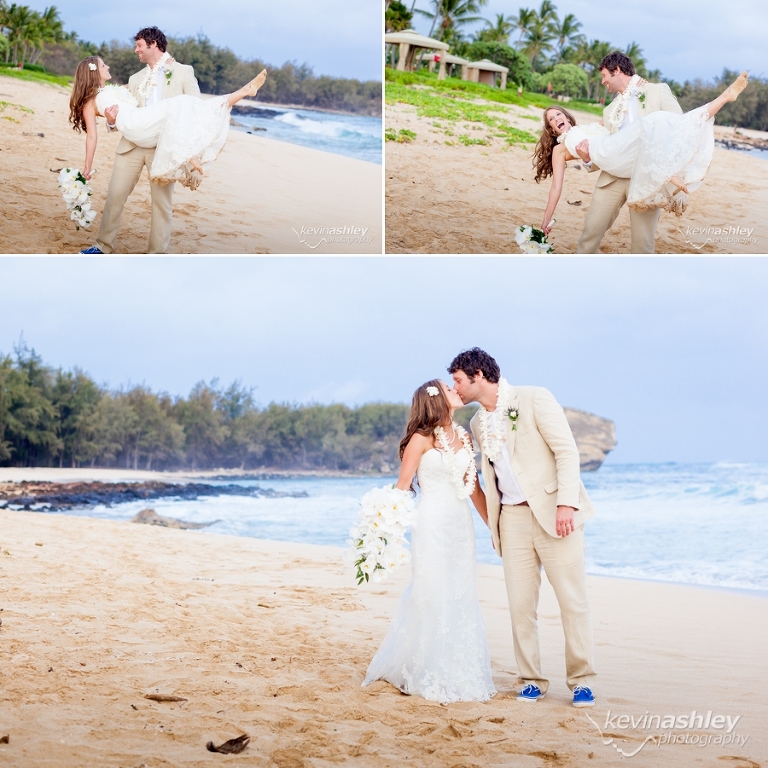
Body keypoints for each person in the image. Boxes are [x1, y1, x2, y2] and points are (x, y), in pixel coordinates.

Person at [449, 348, 597, 708]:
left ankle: (581, 682)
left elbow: (567, 452)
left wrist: (566, 504)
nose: (455, 388)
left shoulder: (533, 398)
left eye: (457, 380)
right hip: (512, 520)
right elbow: (489, 476)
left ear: (478, 374)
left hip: (554, 512)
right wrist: (494, 524)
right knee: (519, 605)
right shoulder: (476, 424)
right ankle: (531, 679)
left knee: (572, 601)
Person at [73, 26, 266, 255]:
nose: (136, 50)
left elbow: (195, 108)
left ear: (153, 44)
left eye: (139, 45)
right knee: (114, 197)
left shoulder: (183, 71)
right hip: (132, 145)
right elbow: (122, 111)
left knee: (161, 205)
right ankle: (103, 246)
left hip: (164, 146)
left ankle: (157, 255)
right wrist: (112, 122)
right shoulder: (135, 79)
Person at [362, 380, 496, 704]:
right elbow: (402, 487)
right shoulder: (420, 440)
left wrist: (494, 526)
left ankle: (458, 671)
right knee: (431, 592)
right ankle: (424, 670)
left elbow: (474, 488)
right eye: (448, 388)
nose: (455, 389)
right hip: (430, 523)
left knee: (460, 592)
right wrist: (384, 532)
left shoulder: (464, 437)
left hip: (460, 526)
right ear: (433, 400)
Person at [534, 51, 747, 253]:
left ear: (616, 70)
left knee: (642, 244)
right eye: (550, 120)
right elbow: (606, 148)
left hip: (647, 176)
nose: (603, 81)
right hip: (613, 177)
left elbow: (679, 126)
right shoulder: (609, 111)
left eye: (604, 76)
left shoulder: (657, 90)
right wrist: (587, 160)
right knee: (590, 234)